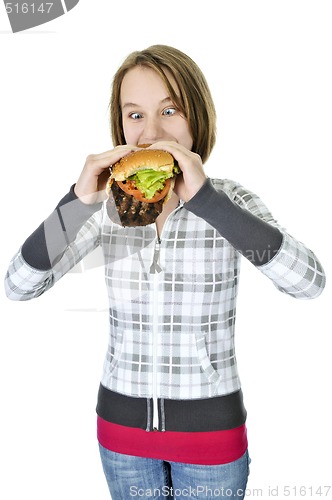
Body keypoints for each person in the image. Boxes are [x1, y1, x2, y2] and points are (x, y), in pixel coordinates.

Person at [4, 45, 326, 499]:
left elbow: (308, 283)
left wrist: (209, 202)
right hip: (121, 437)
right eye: (134, 115)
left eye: (169, 110)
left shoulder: (230, 201)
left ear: (196, 116)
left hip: (212, 438)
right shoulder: (104, 208)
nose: (150, 132)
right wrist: (76, 203)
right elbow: (19, 285)